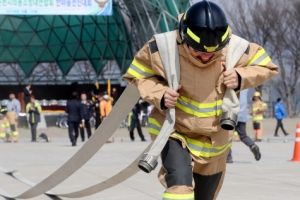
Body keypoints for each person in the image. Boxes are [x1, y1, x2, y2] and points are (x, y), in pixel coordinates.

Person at [123, 1, 278, 199]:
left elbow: (268, 67)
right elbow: (137, 75)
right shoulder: (162, 48)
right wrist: (160, 94)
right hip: (175, 132)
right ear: (186, 37)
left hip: (215, 141)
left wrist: (241, 76)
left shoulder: (236, 48)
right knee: (180, 188)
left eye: (213, 53)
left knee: (205, 196)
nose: (206, 57)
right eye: (200, 52)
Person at [226, 89, 261, 163]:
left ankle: (228, 157)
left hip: (230, 114)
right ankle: (252, 145)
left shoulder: (230, 84)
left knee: (226, 137)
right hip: (242, 114)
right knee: (243, 135)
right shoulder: (245, 86)